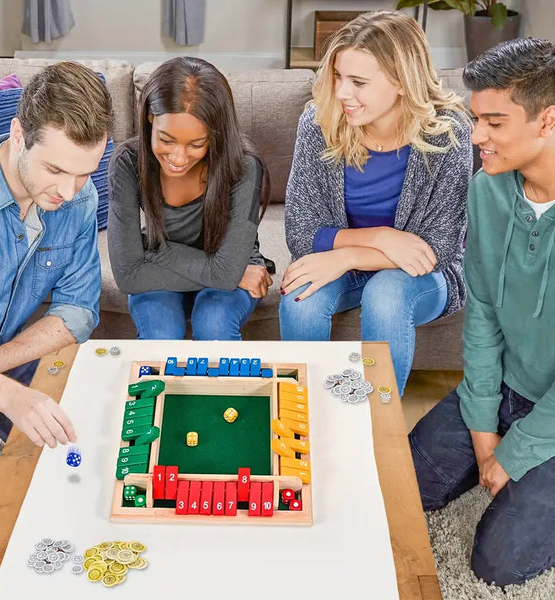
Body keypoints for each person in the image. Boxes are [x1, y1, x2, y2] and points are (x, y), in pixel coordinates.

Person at [410, 38, 555, 586]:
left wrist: (514, 456)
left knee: (499, 562)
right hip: (510, 388)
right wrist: (482, 429)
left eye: (494, 122)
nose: (476, 138)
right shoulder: (488, 189)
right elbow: (486, 313)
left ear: (548, 119)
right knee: (402, 485)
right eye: (476, 120)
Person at [0, 61, 113, 546]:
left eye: (85, 174)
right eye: (56, 169)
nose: (68, 192)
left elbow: (78, 310)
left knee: (95, 472)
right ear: (19, 134)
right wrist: (5, 396)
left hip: (5, 367)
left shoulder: (77, 201)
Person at [279, 10, 472, 395]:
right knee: (301, 298)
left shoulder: (448, 134)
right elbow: (301, 232)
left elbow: (437, 248)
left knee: (385, 295)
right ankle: (305, 417)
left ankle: (376, 432)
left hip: (423, 278)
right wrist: (383, 237)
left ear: (402, 82)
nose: (342, 93)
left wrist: (348, 255)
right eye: (338, 76)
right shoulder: (320, 122)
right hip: (362, 263)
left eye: (358, 82)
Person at [107, 57, 271, 341]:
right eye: (166, 140)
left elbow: (225, 274)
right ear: (150, 119)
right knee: (161, 332)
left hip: (168, 263)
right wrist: (223, 273)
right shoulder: (127, 162)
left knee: (214, 323)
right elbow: (127, 276)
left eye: (197, 144)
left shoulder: (244, 166)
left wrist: (154, 253)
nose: (179, 159)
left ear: (216, 134)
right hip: (192, 271)